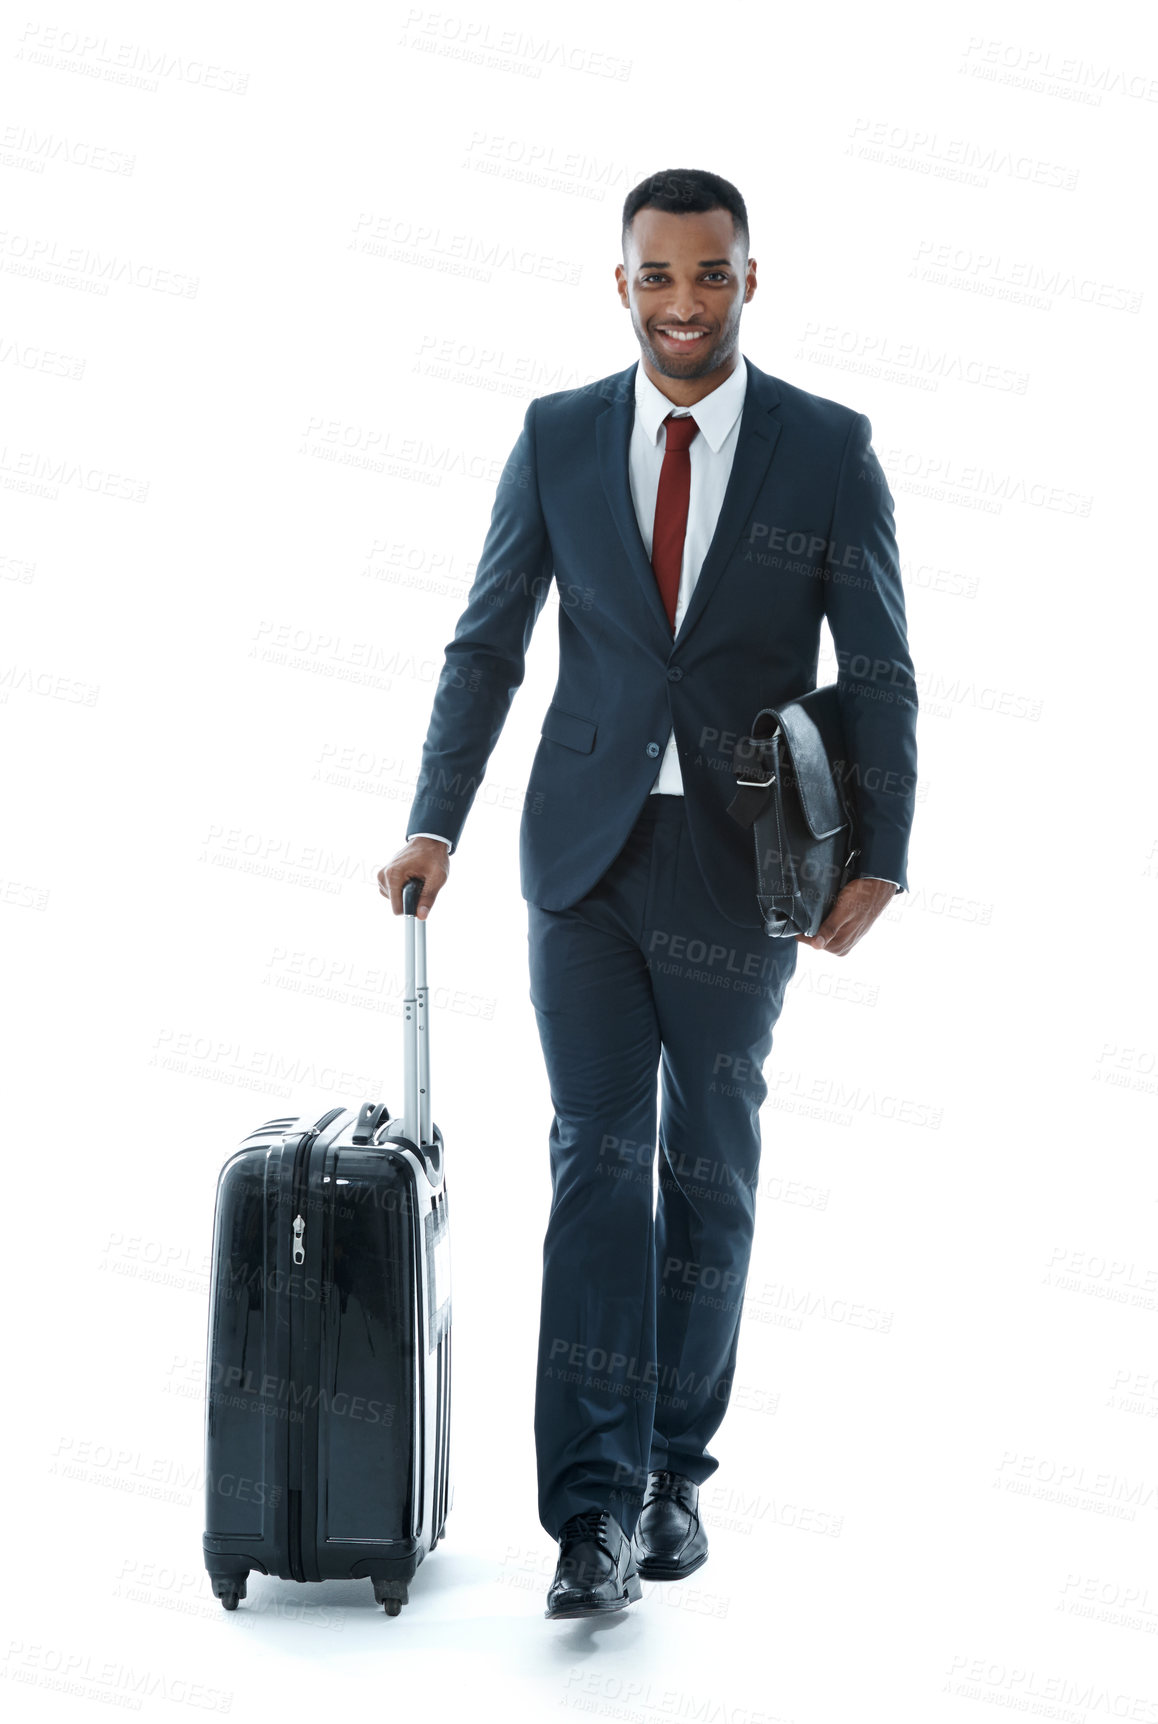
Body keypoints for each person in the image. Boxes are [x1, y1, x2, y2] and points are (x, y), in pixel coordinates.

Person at [379, 167, 918, 1621]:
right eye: (658, 277)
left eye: (711, 277)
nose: (684, 304)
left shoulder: (824, 449)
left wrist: (880, 851)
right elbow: (485, 642)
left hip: (745, 865)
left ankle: (676, 1470)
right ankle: (588, 1515)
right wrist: (434, 821)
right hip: (583, 861)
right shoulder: (556, 437)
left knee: (710, 1170)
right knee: (594, 1167)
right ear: (619, 284)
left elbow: (875, 667)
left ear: (751, 280)